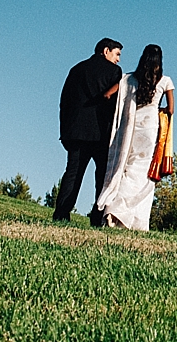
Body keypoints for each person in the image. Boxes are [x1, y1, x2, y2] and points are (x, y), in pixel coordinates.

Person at [95, 43, 174, 230]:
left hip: (130, 128)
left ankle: (113, 211)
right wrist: (158, 111)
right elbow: (171, 110)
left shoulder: (129, 79)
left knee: (126, 168)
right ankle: (131, 218)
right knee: (143, 173)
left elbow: (107, 95)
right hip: (150, 129)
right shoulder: (166, 81)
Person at [53, 37, 123, 224]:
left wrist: (65, 130)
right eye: (117, 54)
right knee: (102, 176)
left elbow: (64, 102)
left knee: (73, 173)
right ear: (106, 50)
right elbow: (115, 105)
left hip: (76, 131)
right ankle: (98, 216)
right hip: (102, 132)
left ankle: (61, 213)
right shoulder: (115, 72)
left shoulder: (77, 69)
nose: (118, 59)